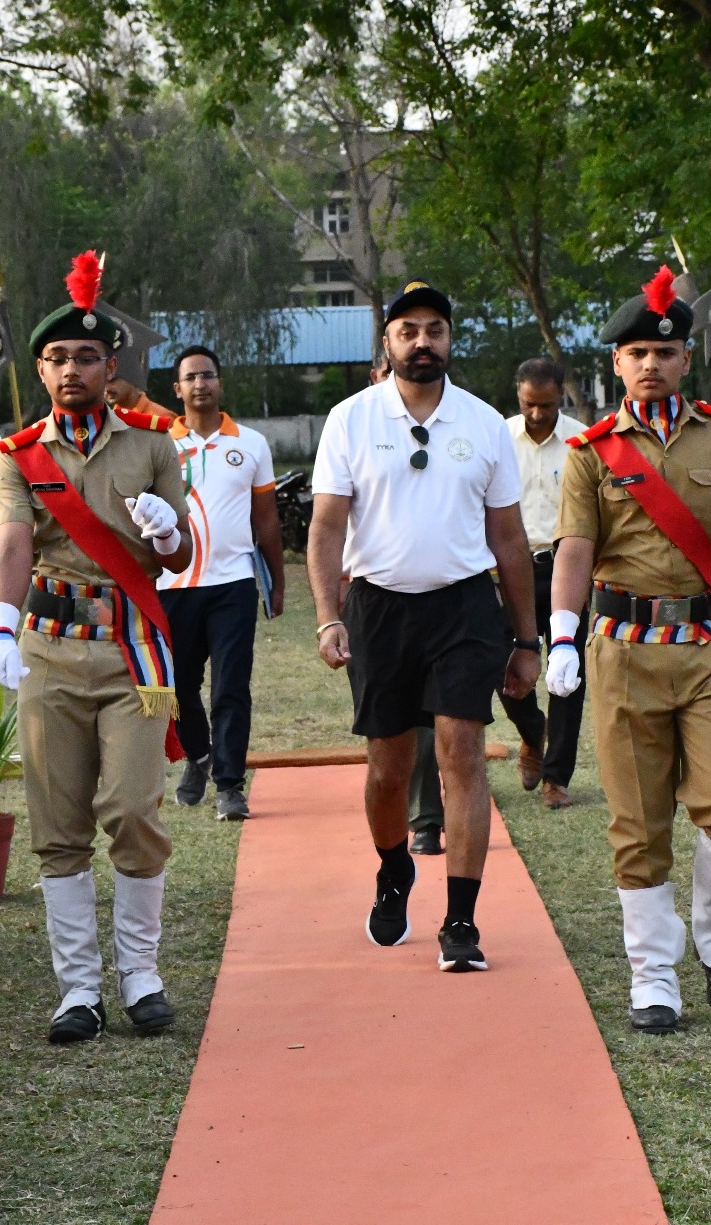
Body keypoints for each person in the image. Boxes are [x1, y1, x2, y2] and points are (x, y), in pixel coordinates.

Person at [547, 265, 711, 1034]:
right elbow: (574, 548)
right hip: (623, 651)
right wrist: (562, 635)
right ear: (616, 363)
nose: (650, 363)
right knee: (637, 822)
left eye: (664, 353)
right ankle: (652, 976)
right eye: (636, 352)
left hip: (708, 647)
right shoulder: (591, 452)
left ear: (684, 360)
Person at [0, 251, 192, 1044]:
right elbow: (12, 541)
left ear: (112, 366)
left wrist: (169, 531)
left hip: (133, 647)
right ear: (41, 369)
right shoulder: (17, 454)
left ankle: (140, 975)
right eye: (56, 357)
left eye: (85, 356)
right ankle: (78, 991)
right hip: (50, 645)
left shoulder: (153, 444)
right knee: (58, 821)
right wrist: (4, 626)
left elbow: (177, 558)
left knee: (134, 811)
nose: (70, 368)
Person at [308, 279, 540, 973]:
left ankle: (460, 922)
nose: (421, 342)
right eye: (407, 331)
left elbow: (508, 537)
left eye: (434, 329)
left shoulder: (482, 423)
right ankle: (392, 868)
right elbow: (324, 528)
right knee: (387, 769)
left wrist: (526, 641)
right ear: (387, 341)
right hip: (378, 607)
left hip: (465, 607)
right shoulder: (348, 419)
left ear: (449, 339)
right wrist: (326, 618)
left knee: (460, 753)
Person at [157, 345, 285, 820]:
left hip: (233, 583)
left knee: (231, 687)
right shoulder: (158, 445)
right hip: (173, 584)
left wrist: (276, 584)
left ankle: (229, 785)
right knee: (176, 687)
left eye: (208, 375)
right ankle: (199, 756)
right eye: (191, 377)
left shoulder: (250, 444)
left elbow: (266, 521)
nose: (200, 384)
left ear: (220, 382)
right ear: (177, 389)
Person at [499, 359, 586, 809]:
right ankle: (532, 731)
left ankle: (557, 777)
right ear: (518, 395)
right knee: (503, 665)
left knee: (567, 674)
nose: (537, 414)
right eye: (530, 405)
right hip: (508, 570)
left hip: (566, 567)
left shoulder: (581, 441)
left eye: (547, 405)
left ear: (561, 396)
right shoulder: (496, 438)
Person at [369, 353, 444, 854]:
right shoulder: (354, 424)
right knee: (395, 739)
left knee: (442, 718)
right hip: (378, 601)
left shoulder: (457, 423)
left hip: (449, 599)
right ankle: (399, 848)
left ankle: (429, 818)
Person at [105, 362, 176, 420]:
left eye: (112, 380)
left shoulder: (163, 418)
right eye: (101, 383)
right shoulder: (108, 421)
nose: (106, 389)